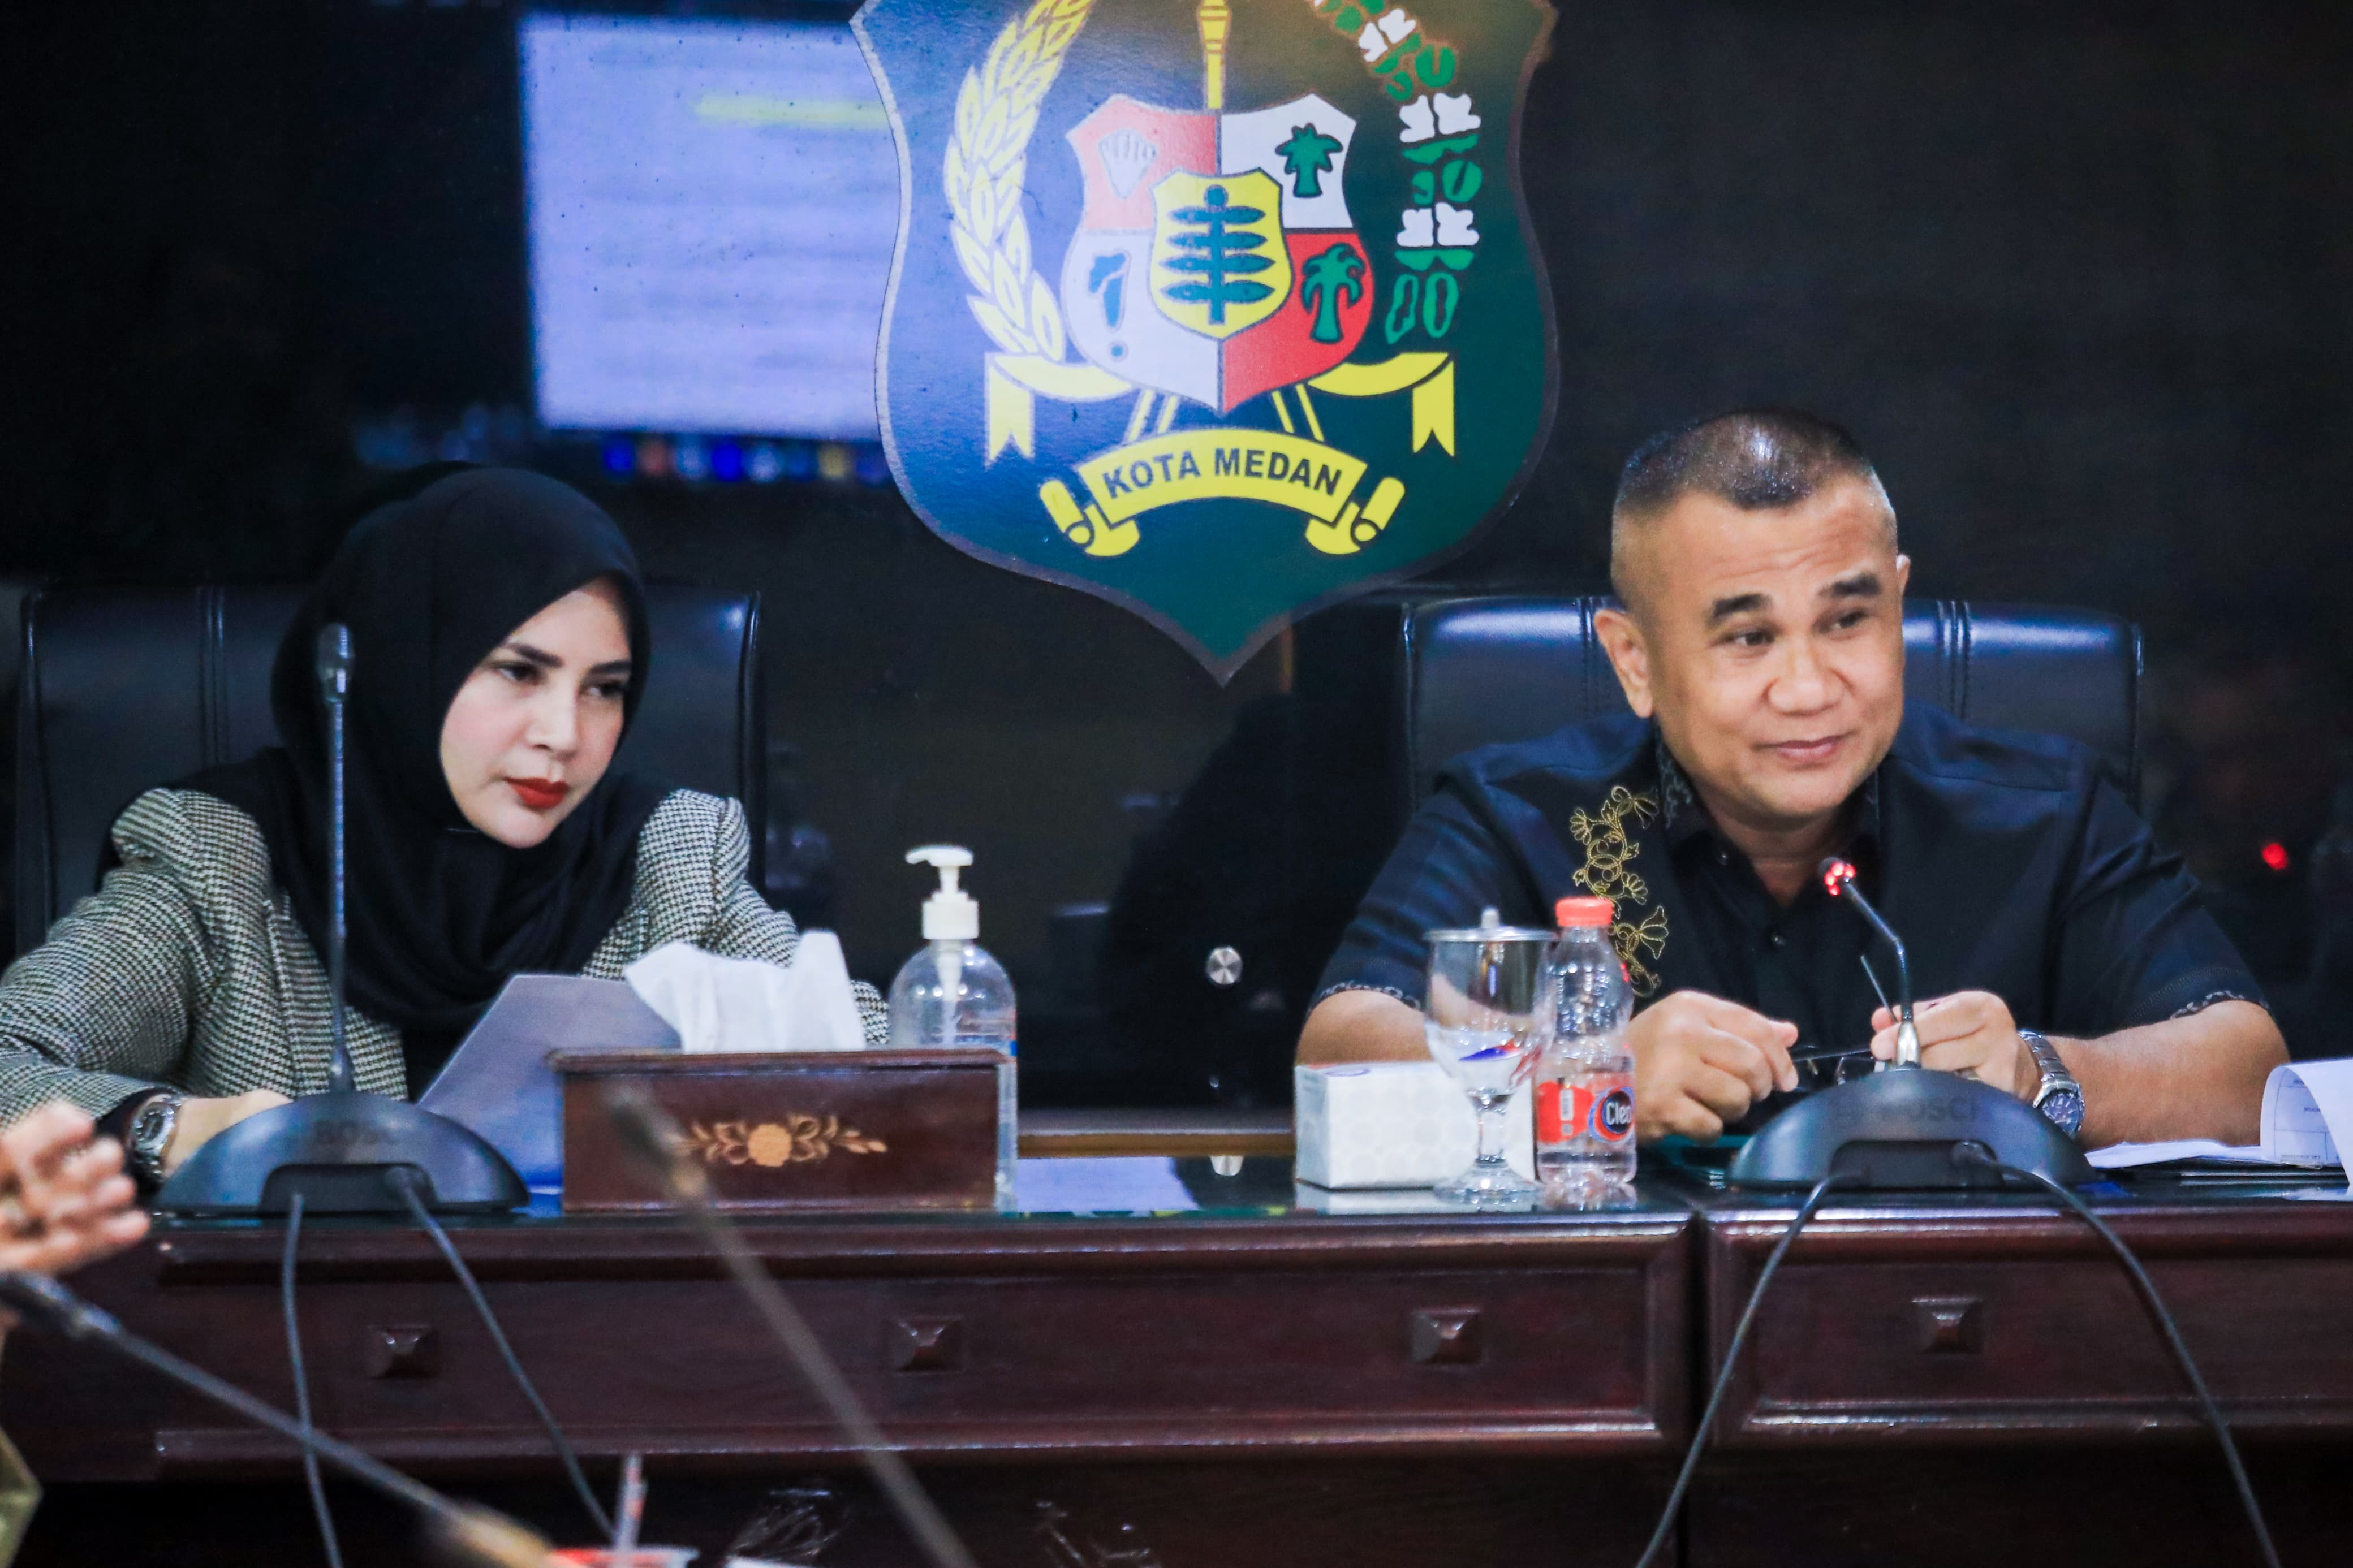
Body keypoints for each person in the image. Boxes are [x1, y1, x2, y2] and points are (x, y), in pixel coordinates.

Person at [1300, 410, 2285, 1148]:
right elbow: (1339, 1049)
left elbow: (2248, 1067)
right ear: (1635, 659)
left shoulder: (2046, 812)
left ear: (1899, 604)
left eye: (1848, 621)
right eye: (1749, 637)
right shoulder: (1517, 813)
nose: (1810, 688)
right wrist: (1582, 1075)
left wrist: (2041, 1074)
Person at [0, 468, 886, 1184]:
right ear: (401, 669)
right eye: (516, 672)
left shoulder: (665, 857)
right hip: (279, 1360)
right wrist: (171, 1127)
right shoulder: (223, 860)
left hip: (602, 1353)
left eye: (604, 688)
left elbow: (884, 1057)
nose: (565, 735)